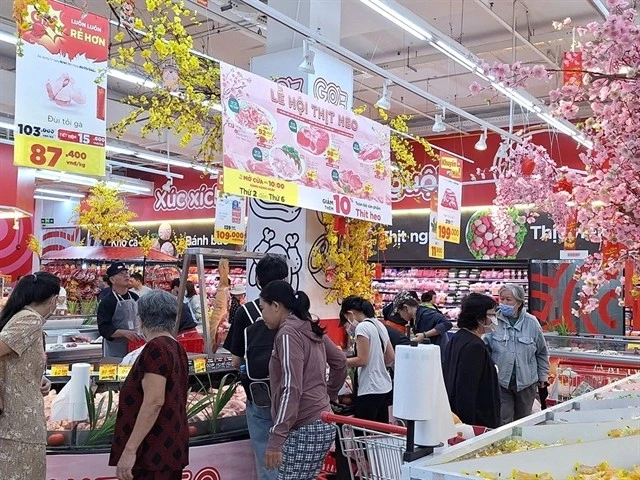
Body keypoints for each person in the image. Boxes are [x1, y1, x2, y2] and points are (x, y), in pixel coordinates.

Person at [260, 281, 347, 480]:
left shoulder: (288, 333)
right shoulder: (308, 326)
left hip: (304, 426)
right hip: (323, 421)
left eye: (262, 308)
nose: (261, 315)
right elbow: (340, 361)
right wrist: (329, 394)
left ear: (276, 306)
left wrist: (277, 438)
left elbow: (291, 386)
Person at [110, 290, 189, 480]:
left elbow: (154, 402)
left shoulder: (156, 348)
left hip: (153, 451)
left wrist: (130, 449)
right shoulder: (174, 346)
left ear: (142, 319)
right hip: (169, 446)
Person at [222, 254, 289, 480]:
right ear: (286, 279)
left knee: (267, 458)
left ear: (258, 281)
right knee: (294, 459)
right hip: (295, 393)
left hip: (262, 394)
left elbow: (235, 360)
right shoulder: (296, 311)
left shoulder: (247, 311)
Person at [0, 272, 59, 479]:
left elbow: (12, 361)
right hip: (19, 423)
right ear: (54, 299)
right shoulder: (30, 320)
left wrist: (37, 378)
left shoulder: (22, 316)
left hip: (17, 420)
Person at [485, 284, 550, 425]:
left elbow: (541, 352)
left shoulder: (531, 323)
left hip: (526, 382)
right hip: (501, 382)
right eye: (502, 299)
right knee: (503, 419)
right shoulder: (493, 321)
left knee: (524, 421)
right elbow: (485, 349)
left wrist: (543, 376)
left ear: (519, 302)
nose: (504, 303)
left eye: (509, 300)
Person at [443, 293, 501, 428]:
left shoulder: (457, 338)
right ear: (479, 317)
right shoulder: (475, 346)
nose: (494, 319)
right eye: (491, 315)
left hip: (456, 414)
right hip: (478, 420)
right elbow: (467, 389)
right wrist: (469, 427)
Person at [339, 296, 394, 423]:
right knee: (380, 433)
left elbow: (362, 360)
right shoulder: (379, 324)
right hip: (384, 386)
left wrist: (339, 362)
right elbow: (391, 356)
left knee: (362, 433)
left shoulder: (362, 327)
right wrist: (377, 364)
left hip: (370, 388)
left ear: (350, 313)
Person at [97, 263, 142, 359]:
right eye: (121, 273)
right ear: (112, 280)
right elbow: (104, 329)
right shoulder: (107, 301)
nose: (126, 275)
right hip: (116, 350)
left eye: (126, 272)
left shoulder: (135, 297)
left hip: (135, 347)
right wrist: (125, 333)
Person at [393, 290, 452, 360]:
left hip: (439, 357)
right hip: (432, 355)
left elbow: (447, 324)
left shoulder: (426, 314)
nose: (401, 317)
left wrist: (424, 335)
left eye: (400, 313)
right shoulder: (416, 316)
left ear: (406, 308)